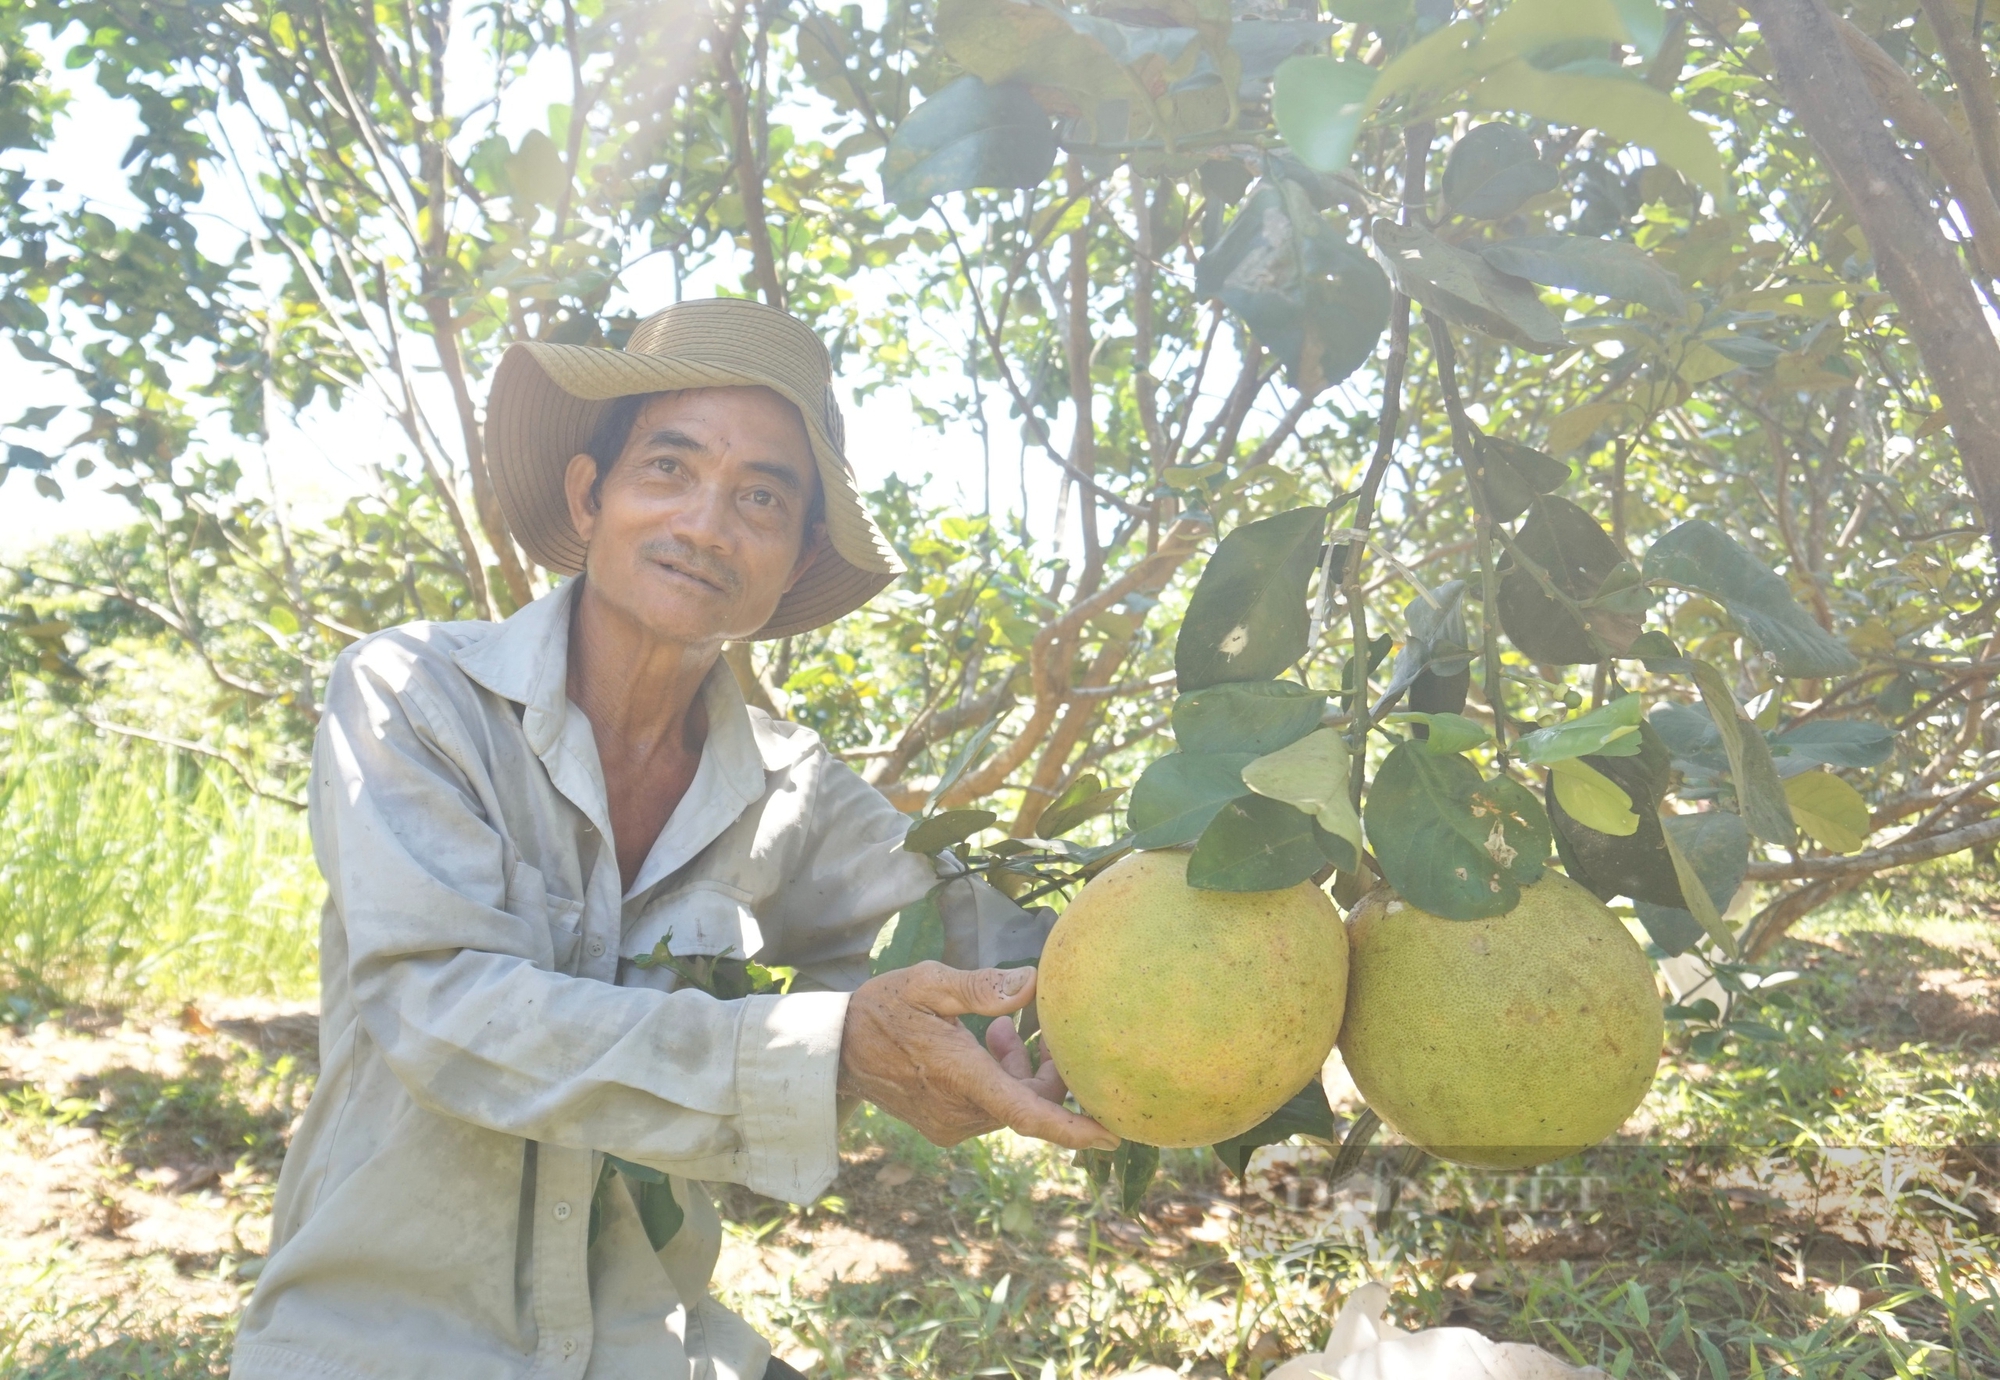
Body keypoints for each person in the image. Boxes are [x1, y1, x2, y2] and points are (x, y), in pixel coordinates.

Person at [230, 299, 1117, 1380]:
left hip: (646, 1344)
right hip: (383, 1342)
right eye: (668, 468)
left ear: (792, 562)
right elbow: (444, 1011)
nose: (706, 525)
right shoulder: (415, 694)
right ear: (588, 494)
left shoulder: (792, 791)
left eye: (760, 498)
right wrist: (832, 1047)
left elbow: (1002, 943)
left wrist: (1247, 897)